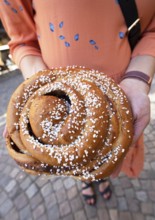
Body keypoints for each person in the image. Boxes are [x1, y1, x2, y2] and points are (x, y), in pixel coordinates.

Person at [0, 0, 155, 206]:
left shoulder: (121, 102)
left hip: (120, 99)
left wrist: (137, 79)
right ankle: (85, 179)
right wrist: (43, 85)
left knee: (103, 154)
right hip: (53, 94)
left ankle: (99, 177)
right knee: (76, 158)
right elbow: (22, 42)